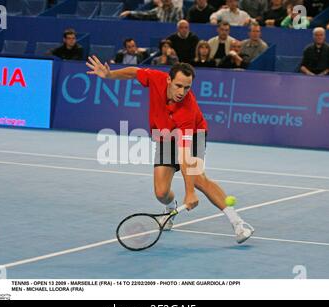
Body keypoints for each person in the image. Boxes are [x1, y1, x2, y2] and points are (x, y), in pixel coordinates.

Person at [86, 57, 255, 244]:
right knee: (161, 192)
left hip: (194, 134)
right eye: (178, 86)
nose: (182, 92)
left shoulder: (186, 110)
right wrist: (109, 75)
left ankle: (238, 223)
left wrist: (189, 191)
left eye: (187, 87)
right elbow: (134, 72)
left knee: (197, 177)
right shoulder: (156, 78)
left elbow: (185, 155)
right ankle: (170, 209)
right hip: (165, 134)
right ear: (169, 80)